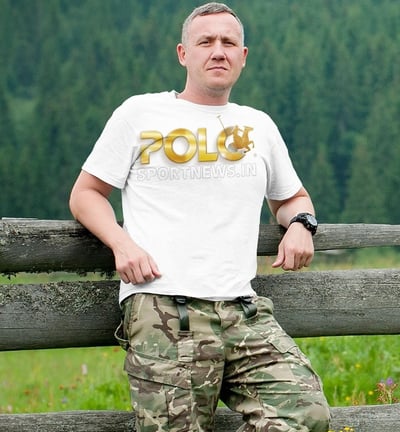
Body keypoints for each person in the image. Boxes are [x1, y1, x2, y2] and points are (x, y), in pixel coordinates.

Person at [69, 2, 330, 431]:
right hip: (164, 306)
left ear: (243, 56)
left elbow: (292, 198)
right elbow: (86, 195)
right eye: (205, 41)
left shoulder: (258, 125)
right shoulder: (140, 114)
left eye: (228, 42)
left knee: (306, 412)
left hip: (243, 310)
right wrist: (121, 243)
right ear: (183, 54)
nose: (218, 51)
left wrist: (302, 224)